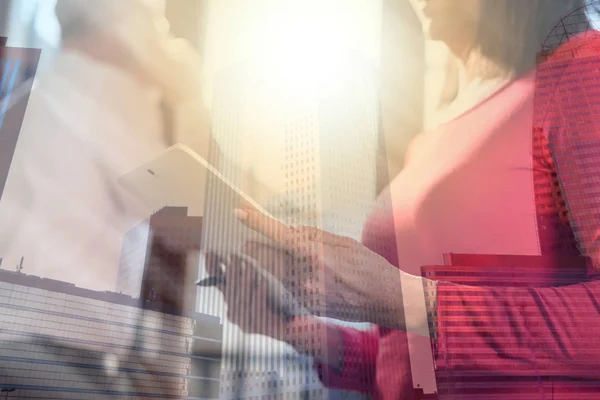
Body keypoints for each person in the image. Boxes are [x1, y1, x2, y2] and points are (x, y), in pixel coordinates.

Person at [208, 0, 600, 399]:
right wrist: (297, 331)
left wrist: (400, 298)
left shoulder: (582, 72)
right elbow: (404, 360)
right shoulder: (432, 139)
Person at [0, 0, 212, 291]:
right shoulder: (107, 92)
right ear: (124, 25)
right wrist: (190, 96)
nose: (161, 37)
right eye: (155, 21)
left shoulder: (25, 101)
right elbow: (185, 221)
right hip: (56, 330)